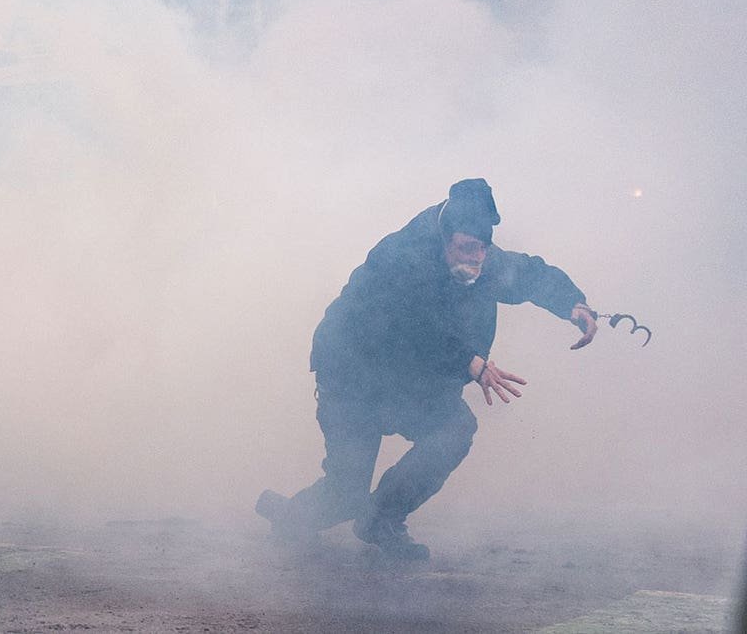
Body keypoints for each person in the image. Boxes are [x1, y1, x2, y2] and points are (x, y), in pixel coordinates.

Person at [256, 178, 599, 560]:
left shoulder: (479, 255)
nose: (477, 260)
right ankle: (289, 518)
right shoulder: (399, 258)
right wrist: (468, 362)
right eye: (467, 249)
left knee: (453, 429)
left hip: (412, 380)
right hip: (353, 374)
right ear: (443, 239)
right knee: (345, 492)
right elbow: (404, 325)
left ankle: (380, 519)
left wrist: (575, 305)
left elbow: (529, 274)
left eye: (483, 249)